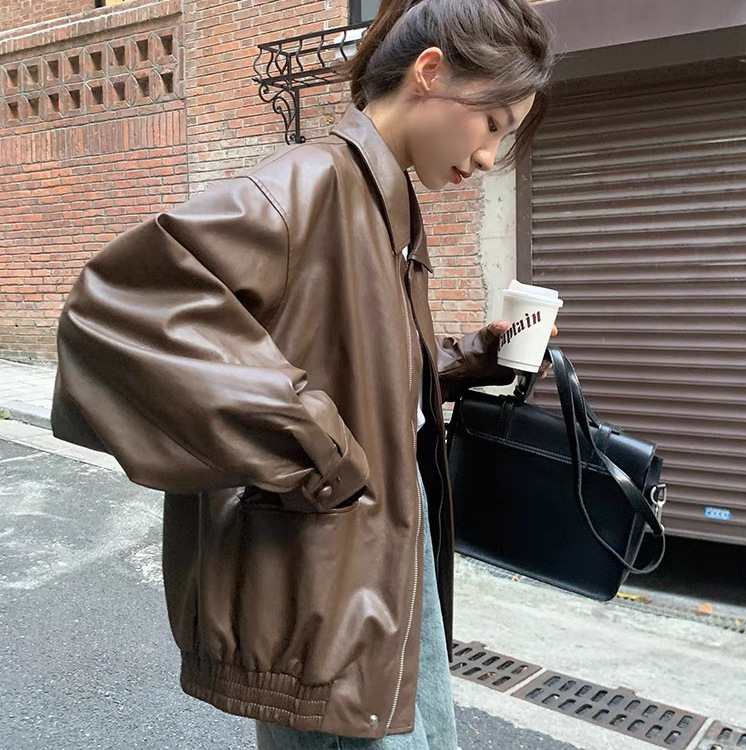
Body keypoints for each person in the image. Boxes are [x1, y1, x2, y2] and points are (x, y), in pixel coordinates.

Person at [50, 0, 555, 747]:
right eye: (492, 124)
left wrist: (466, 358)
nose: (487, 157)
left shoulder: (382, 202)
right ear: (429, 72)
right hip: (330, 557)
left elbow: (347, 363)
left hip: (373, 537)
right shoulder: (310, 184)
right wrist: (319, 447)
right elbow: (117, 315)